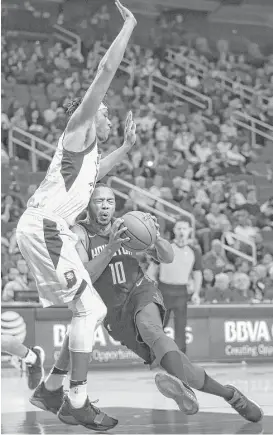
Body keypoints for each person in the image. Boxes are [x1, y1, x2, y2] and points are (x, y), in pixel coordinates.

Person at [30, 185, 263, 424]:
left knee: (151, 328)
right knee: (174, 365)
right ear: (88, 205)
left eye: (109, 201)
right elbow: (85, 275)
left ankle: (224, 396)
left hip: (141, 292)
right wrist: (110, 248)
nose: (105, 206)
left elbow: (167, 257)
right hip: (114, 314)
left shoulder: (128, 226)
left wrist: (156, 236)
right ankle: (226, 392)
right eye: (99, 201)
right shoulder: (79, 234)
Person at [15, 1, 137, 431]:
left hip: (49, 229)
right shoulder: (80, 126)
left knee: (89, 311)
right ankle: (76, 400)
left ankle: (50, 389)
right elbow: (104, 72)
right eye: (104, 111)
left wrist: (123, 149)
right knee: (90, 310)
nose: (106, 113)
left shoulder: (88, 155)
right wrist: (129, 27)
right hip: (46, 227)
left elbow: (94, 176)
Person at [148, 219, 202, 354]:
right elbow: (152, 268)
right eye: (179, 228)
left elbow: (197, 273)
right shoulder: (165, 248)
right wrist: (150, 285)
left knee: (181, 327)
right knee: (159, 325)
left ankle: (181, 357)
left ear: (190, 230)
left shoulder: (194, 251)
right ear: (174, 231)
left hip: (181, 291)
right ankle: (154, 355)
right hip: (163, 290)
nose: (181, 231)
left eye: (184, 228)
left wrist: (196, 293)